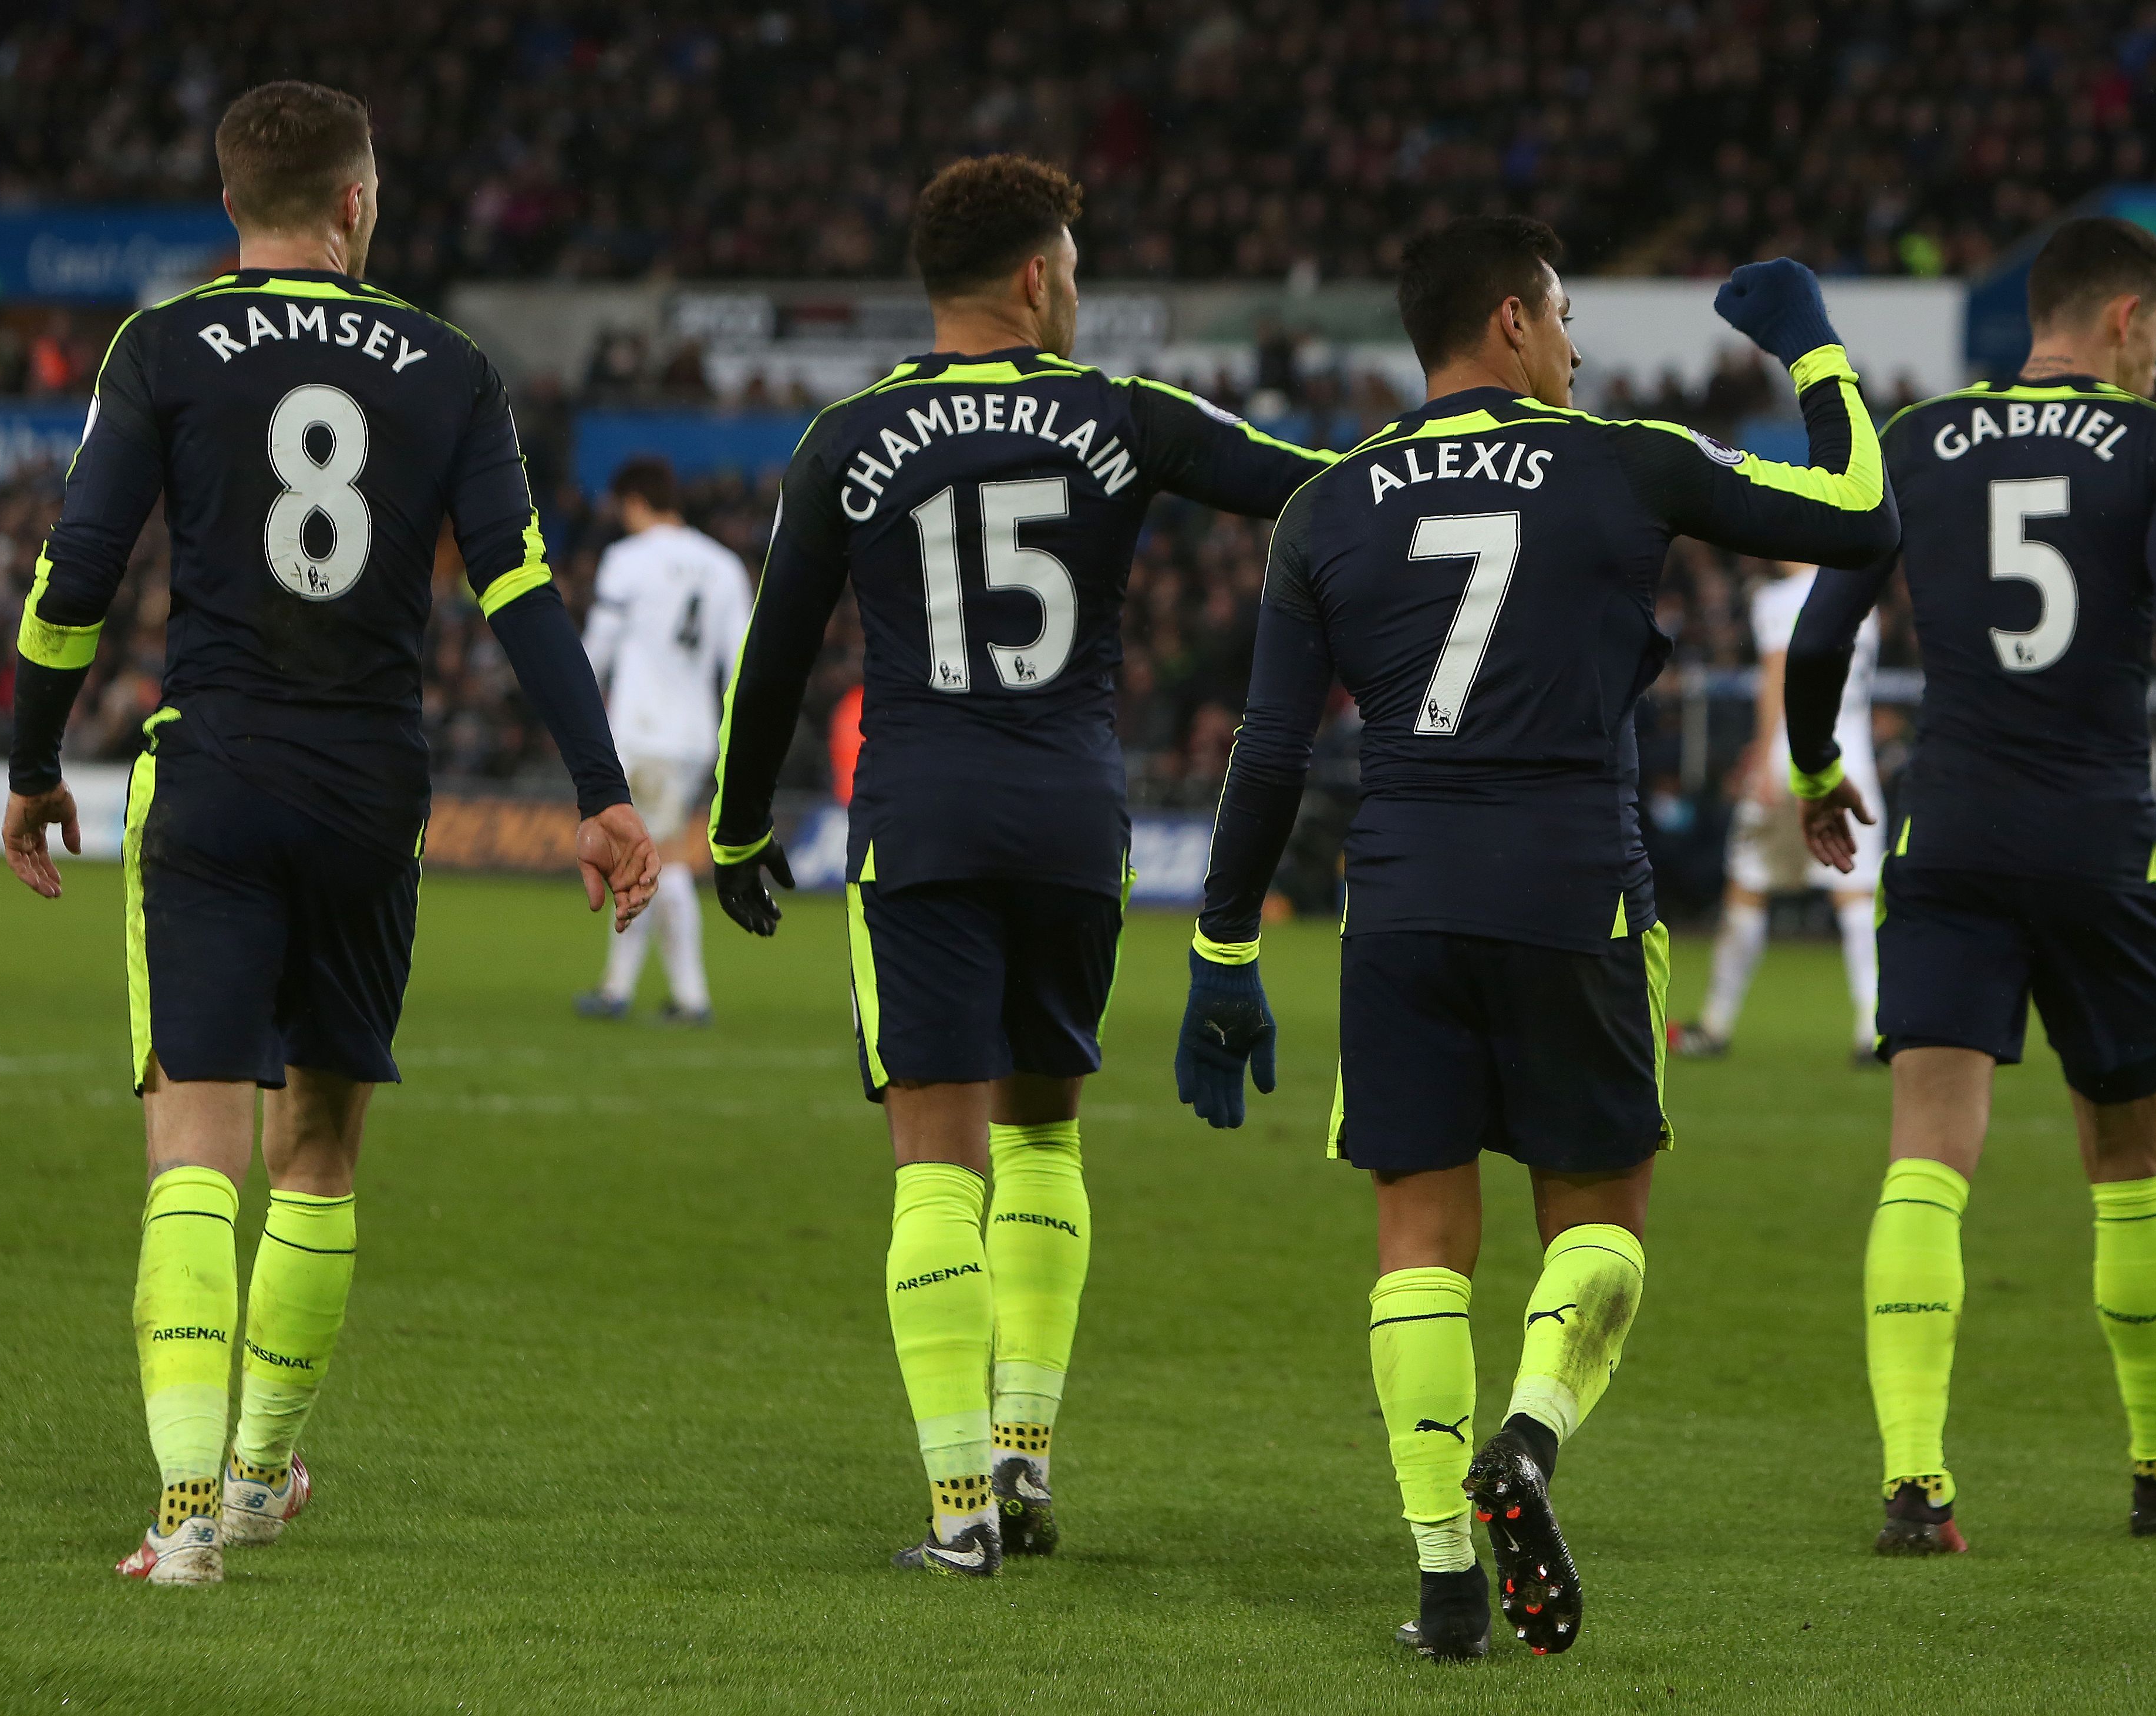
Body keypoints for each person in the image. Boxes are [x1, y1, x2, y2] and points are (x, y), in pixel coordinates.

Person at [1177, 218, 1896, 1661]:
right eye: (1563, 316)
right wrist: (1812, 343)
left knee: (1417, 1243)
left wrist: (1223, 952)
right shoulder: (1626, 458)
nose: (1577, 345)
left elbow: (1267, 750)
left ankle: (1446, 1586)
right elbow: (1865, 514)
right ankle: (1527, 1436)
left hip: (1399, 896)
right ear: (1508, 321)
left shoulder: (1330, 501)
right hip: (1574, 883)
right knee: (1605, 1224)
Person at [0, 81, 658, 1586]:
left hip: (215, 767)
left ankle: (179, 1518)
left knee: (192, 1139)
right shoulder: (451, 364)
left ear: (233, 206)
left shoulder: (160, 343)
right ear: (358, 203)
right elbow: (518, 592)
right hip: (374, 784)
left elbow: (79, 566)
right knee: (322, 1145)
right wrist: (599, 786)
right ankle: (250, 1476)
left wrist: (35, 761)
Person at [706, 155, 1333, 1577]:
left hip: (921, 814)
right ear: (1041, 278)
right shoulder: (1125, 415)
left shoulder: (850, 435)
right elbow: (1308, 488)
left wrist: (741, 826)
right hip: (1073, 817)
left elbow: (778, 651)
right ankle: (1025, 1453)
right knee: (1044, 1129)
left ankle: (955, 1512)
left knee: (935, 1152)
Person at [1784, 216, 2156, 1557]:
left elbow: (1820, 633)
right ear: (2126, 318)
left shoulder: (1915, 437)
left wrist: (1814, 777)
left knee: (1926, 1156)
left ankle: (1916, 1485)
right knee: (2130, 1158)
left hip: (1950, 827)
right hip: (2095, 839)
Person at [1673, 557, 1884, 1062]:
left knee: (1748, 887)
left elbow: (1778, 679)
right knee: (1856, 896)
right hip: (1852, 757)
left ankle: (1717, 1023)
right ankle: (1872, 1028)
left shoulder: (1779, 598)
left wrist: (1764, 756)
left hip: (1792, 758)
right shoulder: (1859, 591)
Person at [574, 455, 754, 1025]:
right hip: (696, 734)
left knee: (664, 861)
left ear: (633, 502)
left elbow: (595, 651)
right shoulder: (724, 566)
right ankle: (617, 987)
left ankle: (690, 997)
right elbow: (743, 661)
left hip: (645, 730)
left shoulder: (628, 561)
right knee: (646, 851)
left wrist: (576, 716)